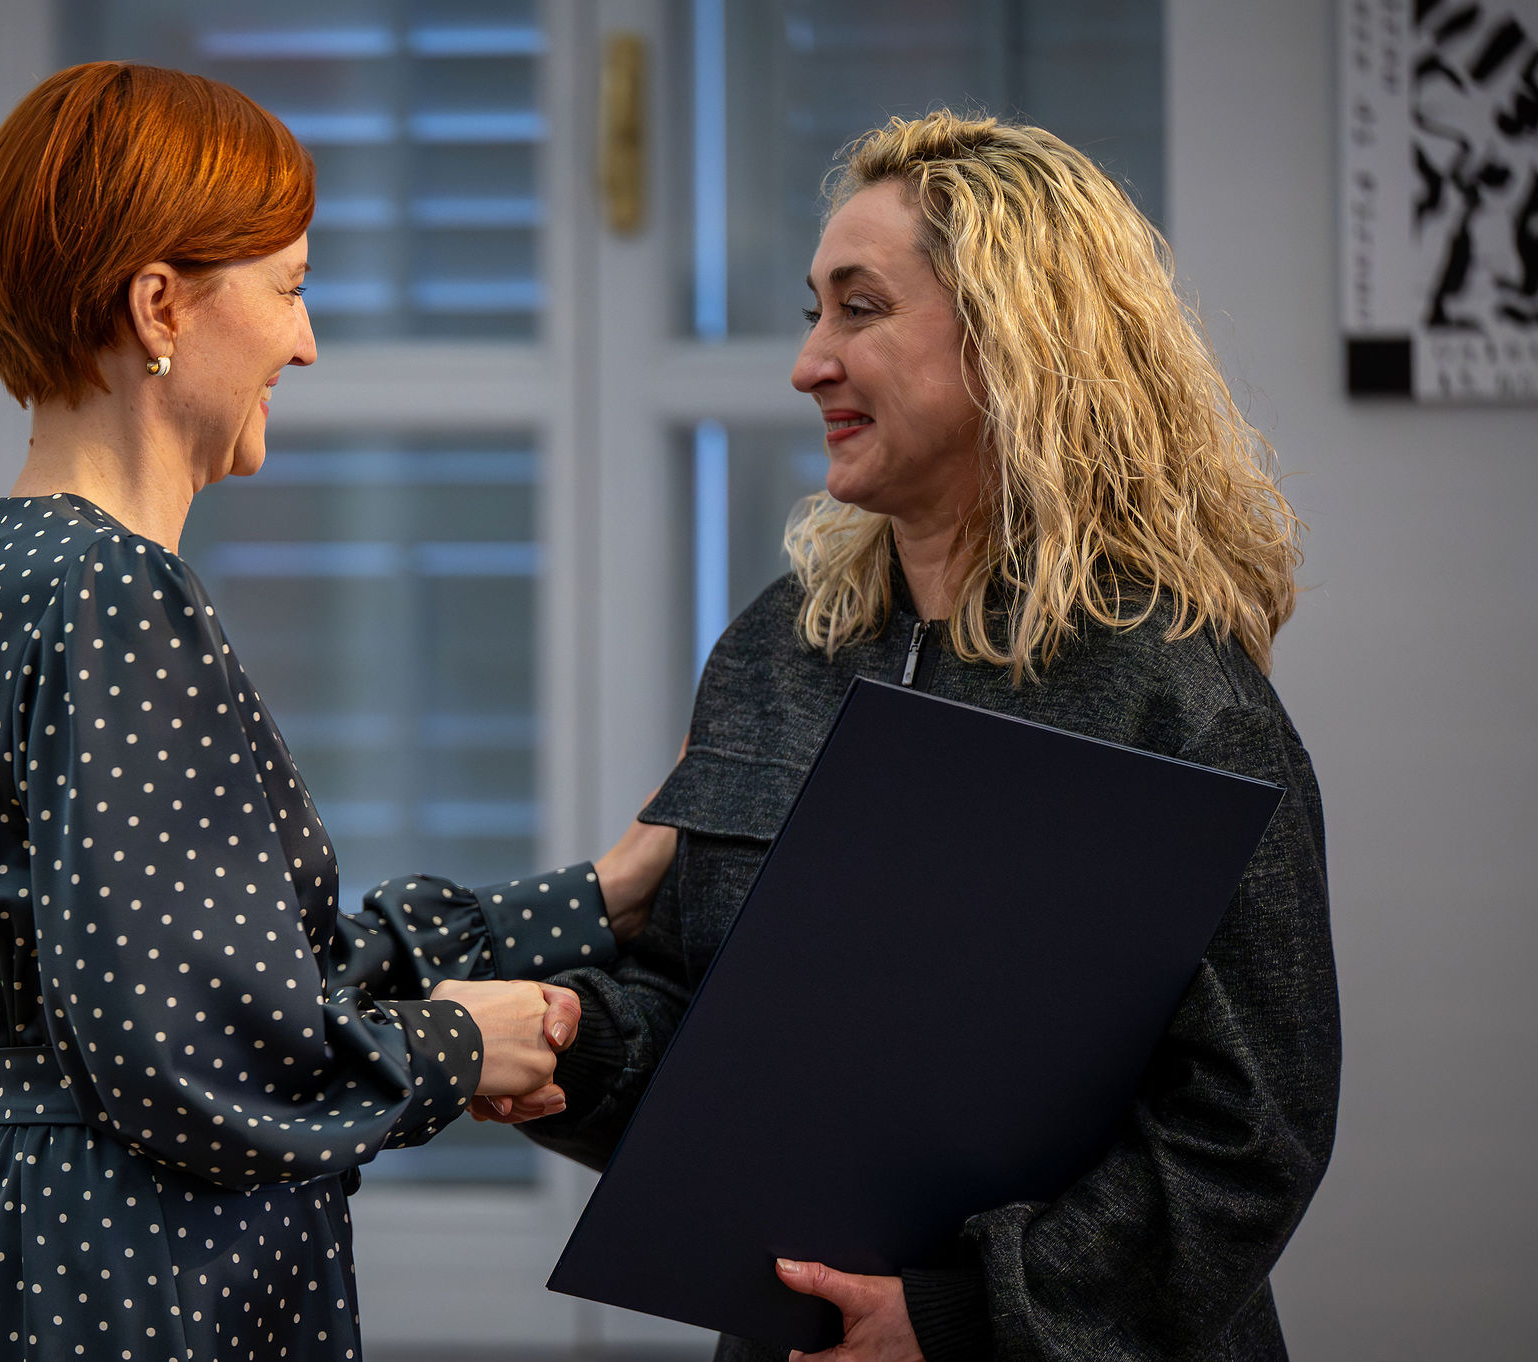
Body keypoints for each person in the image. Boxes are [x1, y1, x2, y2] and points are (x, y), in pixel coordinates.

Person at [500, 112, 1340, 1362]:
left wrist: (956, 1318)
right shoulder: (778, 646)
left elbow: (1245, 1131)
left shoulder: (1178, 698)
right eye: (813, 314)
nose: (808, 364)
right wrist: (572, 1043)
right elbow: (701, 1010)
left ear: (1013, 340)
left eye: (860, 309)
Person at [0, 62, 662, 1362]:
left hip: (71, 1252)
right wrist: (454, 1048)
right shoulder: (109, 591)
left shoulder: (23, 569)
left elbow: (233, 985)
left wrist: (592, 899)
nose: (305, 344)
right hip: (138, 1281)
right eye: (290, 289)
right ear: (160, 306)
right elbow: (200, 1056)